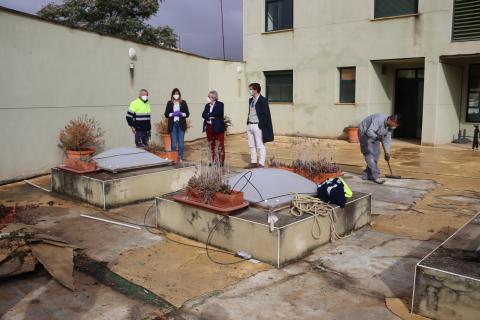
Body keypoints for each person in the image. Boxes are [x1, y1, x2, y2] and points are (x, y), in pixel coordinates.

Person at [358, 113, 399, 184]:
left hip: (375, 135)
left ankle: (367, 174)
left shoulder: (389, 127)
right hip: (364, 133)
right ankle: (376, 176)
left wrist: (387, 153)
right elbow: (369, 131)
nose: (394, 127)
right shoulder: (379, 120)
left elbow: (387, 140)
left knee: (377, 153)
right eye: (394, 125)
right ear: (390, 120)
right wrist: (377, 137)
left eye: (396, 126)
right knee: (369, 154)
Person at [245, 83, 274, 168]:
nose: (250, 91)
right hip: (250, 125)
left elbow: (265, 114)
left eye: (251, 89)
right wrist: (248, 123)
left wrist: (260, 125)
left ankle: (261, 164)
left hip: (258, 126)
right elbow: (250, 112)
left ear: (256, 90)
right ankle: (253, 162)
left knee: (260, 145)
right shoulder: (251, 100)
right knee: (252, 145)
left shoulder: (263, 100)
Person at [164, 88, 190, 161]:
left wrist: (181, 114)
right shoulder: (169, 103)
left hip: (181, 125)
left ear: (179, 95)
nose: (176, 95)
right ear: (172, 95)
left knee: (181, 144)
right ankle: (174, 159)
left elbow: (187, 114)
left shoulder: (183, 102)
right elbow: (166, 114)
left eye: (177, 93)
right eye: (175, 93)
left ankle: (180, 158)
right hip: (173, 125)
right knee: (174, 144)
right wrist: (172, 114)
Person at [202, 90, 226, 165]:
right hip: (209, 127)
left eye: (209, 96)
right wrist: (210, 115)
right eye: (208, 96)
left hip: (217, 127)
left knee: (219, 144)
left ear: (214, 97)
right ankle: (213, 160)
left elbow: (217, 113)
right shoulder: (207, 105)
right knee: (211, 144)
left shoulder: (220, 104)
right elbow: (203, 115)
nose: (208, 98)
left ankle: (220, 161)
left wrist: (208, 114)